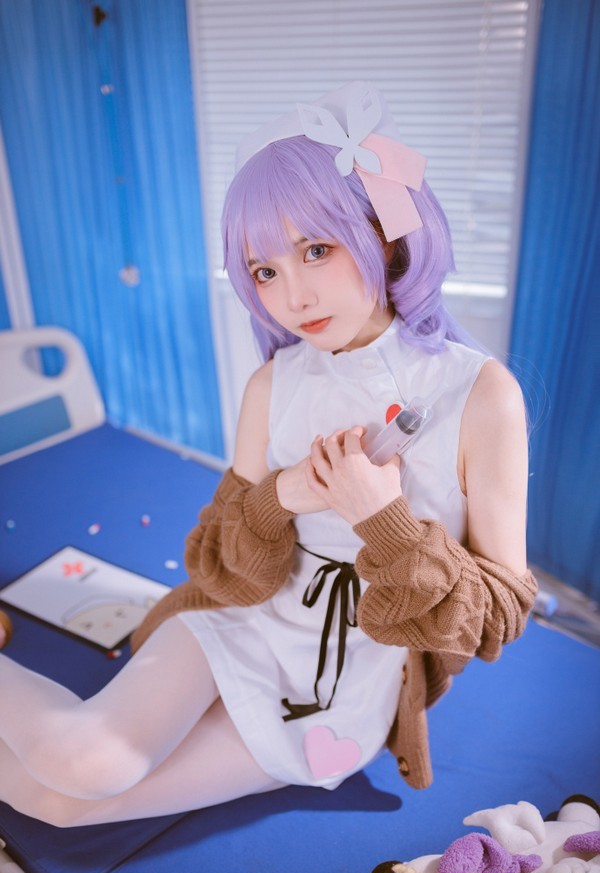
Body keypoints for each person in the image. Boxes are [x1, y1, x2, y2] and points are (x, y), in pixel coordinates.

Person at [0, 82, 537, 827]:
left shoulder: (481, 394)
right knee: (85, 764)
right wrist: (282, 495)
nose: (293, 297)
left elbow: (499, 617)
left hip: (348, 690)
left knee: (59, 808)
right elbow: (216, 565)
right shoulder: (272, 384)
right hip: (238, 622)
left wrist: (382, 519)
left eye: (316, 249)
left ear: (383, 235)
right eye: (265, 271)